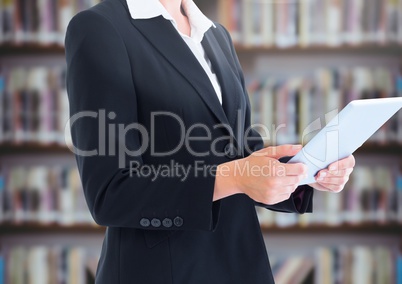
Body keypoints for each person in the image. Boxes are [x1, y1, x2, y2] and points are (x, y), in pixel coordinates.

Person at [64, 0, 355, 283]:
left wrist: (308, 170)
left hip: (240, 263)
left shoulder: (215, 34)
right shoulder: (100, 28)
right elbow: (111, 192)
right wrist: (234, 178)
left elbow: (240, 147)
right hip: (163, 271)